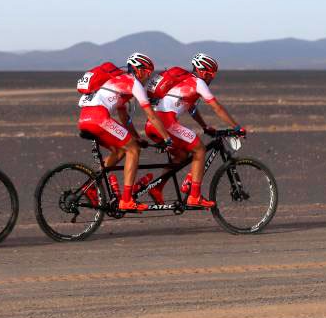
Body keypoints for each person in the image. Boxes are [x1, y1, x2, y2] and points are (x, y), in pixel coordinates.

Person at [144, 53, 245, 208]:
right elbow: (216, 107)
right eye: (211, 75)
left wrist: (204, 127)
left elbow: (191, 109)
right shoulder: (198, 83)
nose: (212, 79)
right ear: (204, 72)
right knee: (199, 150)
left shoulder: (186, 82)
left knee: (181, 156)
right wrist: (236, 127)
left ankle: (157, 188)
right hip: (166, 123)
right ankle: (194, 196)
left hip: (152, 125)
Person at [78, 53, 172, 211]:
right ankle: (127, 199)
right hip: (99, 118)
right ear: (139, 70)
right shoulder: (133, 83)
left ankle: (89, 187)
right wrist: (167, 138)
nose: (148, 78)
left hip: (84, 119)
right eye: (148, 73)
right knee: (133, 150)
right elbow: (151, 115)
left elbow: (124, 117)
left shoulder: (117, 81)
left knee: (120, 150)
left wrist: (136, 137)